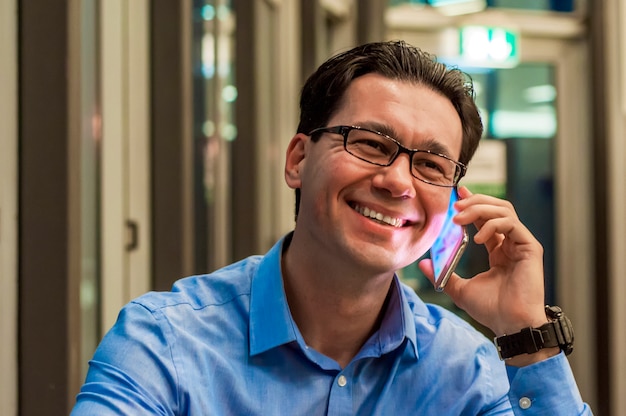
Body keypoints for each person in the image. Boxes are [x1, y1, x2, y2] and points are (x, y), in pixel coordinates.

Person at [72, 40, 592, 415]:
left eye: (431, 165)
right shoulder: (165, 344)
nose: (396, 181)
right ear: (298, 159)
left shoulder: (465, 369)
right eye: (369, 143)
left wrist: (528, 336)